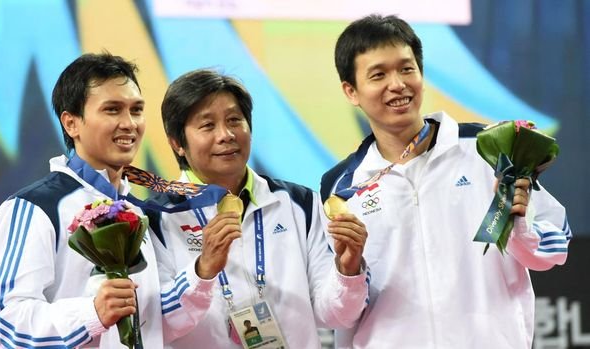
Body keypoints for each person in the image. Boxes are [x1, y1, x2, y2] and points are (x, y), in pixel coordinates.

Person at [320, 14, 572, 349]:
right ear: (351, 91)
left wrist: (519, 227)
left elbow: (556, 246)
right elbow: (336, 315)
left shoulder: (489, 149)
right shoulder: (340, 188)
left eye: (406, 69)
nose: (397, 84)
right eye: (378, 74)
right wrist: (348, 271)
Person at [0, 52, 204, 348]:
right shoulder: (34, 208)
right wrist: (92, 313)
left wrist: (204, 270)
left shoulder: (136, 211)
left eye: (136, 110)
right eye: (112, 110)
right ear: (71, 123)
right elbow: (6, 321)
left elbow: (155, 320)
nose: (129, 123)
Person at [149, 69, 369, 348]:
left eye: (234, 120)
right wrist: (202, 271)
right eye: (207, 126)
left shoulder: (299, 203)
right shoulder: (157, 219)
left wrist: (347, 270)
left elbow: (337, 316)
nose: (226, 135)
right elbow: (161, 326)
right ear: (177, 143)